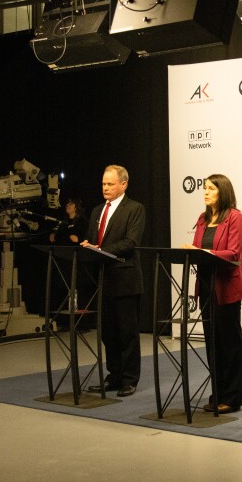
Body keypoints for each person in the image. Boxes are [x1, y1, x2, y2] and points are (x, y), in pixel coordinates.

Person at [182, 174, 242, 414]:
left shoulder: (235, 217)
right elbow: (199, 249)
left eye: (211, 188)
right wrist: (193, 251)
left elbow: (232, 253)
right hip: (206, 286)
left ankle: (232, 398)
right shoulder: (202, 218)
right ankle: (218, 392)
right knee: (212, 342)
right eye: (205, 188)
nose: (206, 192)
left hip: (227, 287)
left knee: (229, 343)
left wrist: (204, 252)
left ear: (223, 192)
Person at [81, 165, 145, 398]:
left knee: (127, 332)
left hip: (125, 279)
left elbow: (130, 242)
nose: (105, 188)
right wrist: (88, 246)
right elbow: (91, 238)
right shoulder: (98, 210)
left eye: (110, 184)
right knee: (108, 332)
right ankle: (114, 375)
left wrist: (100, 250)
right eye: (103, 184)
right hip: (103, 279)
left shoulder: (135, 209)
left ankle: (129, 379)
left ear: (123, 184)